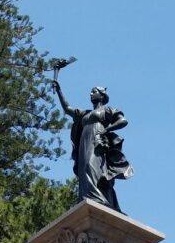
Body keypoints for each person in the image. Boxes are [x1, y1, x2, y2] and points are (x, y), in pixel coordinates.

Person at [52, 81, 133, 211]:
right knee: (84, 169)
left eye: (94, 91)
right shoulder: (84, 113)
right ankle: (87, 198)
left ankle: (98, 199)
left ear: (102, 96)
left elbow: (123, 121)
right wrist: (59, 90)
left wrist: (107, 129)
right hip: (84, 143)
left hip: (98, 141)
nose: (91, 93)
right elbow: (67, 108)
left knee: (92, 167)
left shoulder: (107, 110)